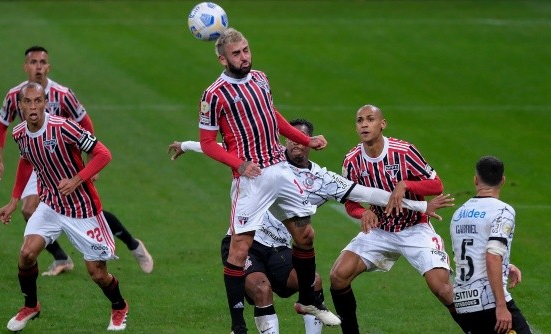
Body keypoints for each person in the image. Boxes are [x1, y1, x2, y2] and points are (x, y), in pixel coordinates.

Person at [169, 119, 453, 334]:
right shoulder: (265, 159)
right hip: (247, 242)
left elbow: (364, 194)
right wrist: (185, 145)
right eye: (291, 139)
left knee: (314, 282)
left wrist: (419, 206)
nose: (295, 144)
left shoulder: (321, 179)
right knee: (262, 289)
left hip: (280, 248)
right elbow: (219, 148)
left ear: (307, 143)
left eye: (300, 140)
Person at [197, 27, 339, 333]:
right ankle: (238, 326)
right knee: (238, 250)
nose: (244, 57)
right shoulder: (213, 95)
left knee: (306, 236)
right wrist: (240, 164)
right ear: (223, 59)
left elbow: (272, 115)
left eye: (246, 50)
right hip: (251, 179)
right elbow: (208, 143)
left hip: (279, 171)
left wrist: (305, 140)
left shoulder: (260, 78)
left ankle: (309, 300)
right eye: (236, 53)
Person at [0, 45, 153, 275]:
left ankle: (133, 244)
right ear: (25, 67)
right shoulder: (15, 95)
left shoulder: (63, 94)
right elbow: (1, 126)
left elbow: (85, 123)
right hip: (36, 160)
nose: (38, 67)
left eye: (43, 62)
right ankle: (61, 257)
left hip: (65, 164)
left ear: (49, 66)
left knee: (84, 212)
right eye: (33, 62)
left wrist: (88, 163)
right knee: (29, 210)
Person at [0, 82, 128, 331]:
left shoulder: (64, 127)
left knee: (98, 274)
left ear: (45, 103)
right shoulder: (20, 133)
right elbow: (26, 161)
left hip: (82, 209)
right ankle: (31, 306)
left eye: (38, 101)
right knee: (26, 254)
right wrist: (14, 200)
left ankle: (119, 306)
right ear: (20, 105)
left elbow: (103, 154)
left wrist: (78, 179)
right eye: (28, 102)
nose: (33, 106)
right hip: (51, 206)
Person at [330, 104, 457, 333]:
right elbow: (350, 202)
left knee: (442, 288)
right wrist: (363, 212)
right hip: (379, 231)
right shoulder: (351, 161)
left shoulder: (404, 151)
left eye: (370, 119)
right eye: (360, 121)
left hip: (414, 229)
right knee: (338, 276)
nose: (365, 124)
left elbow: (436, 185)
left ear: (382, 124)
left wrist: (406, 183)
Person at [450, 156, 531, 334]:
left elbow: (470, 252)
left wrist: (505, 266)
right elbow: (493, 256)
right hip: (489, 302)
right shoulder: (503, 211)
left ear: (475, 180)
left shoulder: (459, 213)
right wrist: (501, 307)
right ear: (502, 181)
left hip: (463, 302)